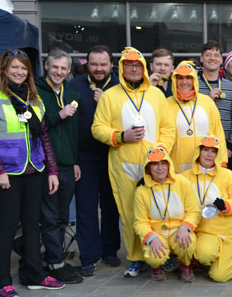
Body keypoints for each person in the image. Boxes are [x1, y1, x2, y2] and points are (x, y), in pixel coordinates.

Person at [0, 49, 64, 297]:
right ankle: (1, 281)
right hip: (5, 173)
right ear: (3, 69)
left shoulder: (33, 99)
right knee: (9, 227)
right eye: (14, 67)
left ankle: (34, 275)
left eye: (23, 68)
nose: (19, 72)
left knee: (33, 225)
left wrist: (52, 170)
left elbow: (44, 137)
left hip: (34, 169)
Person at [92, 46, 175, 278]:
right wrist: (121, 136)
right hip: (124, 165)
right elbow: (97, 128)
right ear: (121, 68)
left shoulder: (157, 94)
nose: (133, 69)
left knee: (160, 209)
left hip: (156, 166)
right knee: (130, 214)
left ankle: (162, 254)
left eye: (137, 65)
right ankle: (137, 257)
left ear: (144, 68)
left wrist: (160, 151)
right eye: (128, 65)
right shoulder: (109, 96)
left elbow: (168, 129)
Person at [70, 45, 121, 271]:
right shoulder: (74, 86)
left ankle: (110, 251)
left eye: (103, 64)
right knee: (86, 208)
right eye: (94, 64)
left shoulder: (120, 87)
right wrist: (72, 160)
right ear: (86, 65)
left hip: (114, 155)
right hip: (85, 158)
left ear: (111, 64)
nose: (99, 69)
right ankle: (89, 257)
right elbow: (69, 126)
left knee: (112, 207)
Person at [36, 49, 83, 283]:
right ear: (46, 66)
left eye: (64, 68)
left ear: (69, 71)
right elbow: (37, 126)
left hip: (67, 165)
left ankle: (51, 257)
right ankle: (55, 264)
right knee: (51, 217)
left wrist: (74, 161)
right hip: (45, 166)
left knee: (63, 217)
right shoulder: (34, 91)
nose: (59, 72)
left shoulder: (71, 92)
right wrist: (59, 114)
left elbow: (73, 133)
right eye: (55, 67)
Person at [183, 135, 232, 282]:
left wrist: (226, 205)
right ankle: (215, 258)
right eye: (205, 150)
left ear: (218, 154)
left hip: (230, 232)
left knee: (219, 277)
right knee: (203, 254)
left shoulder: (228, 175)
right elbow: (169, 182)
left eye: (213, 151)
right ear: (198, 152)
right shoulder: (186, 177)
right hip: (206, 232)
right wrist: (146, 178)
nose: (209, 154)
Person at [134, 146, 200, 282]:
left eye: (163, 163)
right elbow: (140, 222)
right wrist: (152, 238)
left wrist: (185, 227)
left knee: (187, 243)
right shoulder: (141, 191)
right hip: (157, 232)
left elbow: (194, 211)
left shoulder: (182, 182)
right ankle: (156, 267)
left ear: (169, 164)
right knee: (154, 256)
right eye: (155, 164)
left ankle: (186, 265)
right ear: (148, 168)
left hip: (178, 229)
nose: (160, 168)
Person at [166, 61, 226, 173]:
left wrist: (222, 161)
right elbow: (163, 136)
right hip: (177, 168)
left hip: (206, 165)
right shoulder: (166, 104)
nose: (184, 82)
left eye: (188, 78)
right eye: (180, 78)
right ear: (174, 80)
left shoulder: (207, 102)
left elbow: (219, 133)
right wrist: (166, 165)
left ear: (194, 79)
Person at [198, 41, 232, 163]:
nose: (212, 58)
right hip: (197, 148)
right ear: (201, 58)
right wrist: (208, 100)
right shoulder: (192, 85)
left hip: (224, 149)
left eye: (216, 55)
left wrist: (230, 147)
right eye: (208, 55)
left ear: (221, 60)